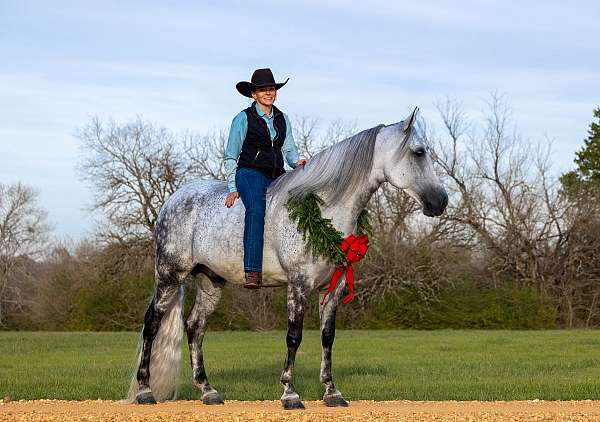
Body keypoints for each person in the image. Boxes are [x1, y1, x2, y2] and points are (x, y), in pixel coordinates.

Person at [224, 68, 307, 289]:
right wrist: (233, 186)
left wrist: (297, 162)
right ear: (254, 94)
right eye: (263, 90)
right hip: (249, 173)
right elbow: (231, 155)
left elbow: (289, 150)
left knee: (300, 202)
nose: (269, 93)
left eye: (271, 89)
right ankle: (252, 270)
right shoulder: (243, 118)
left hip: (277, 174)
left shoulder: (282, 118)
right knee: (257, 209)